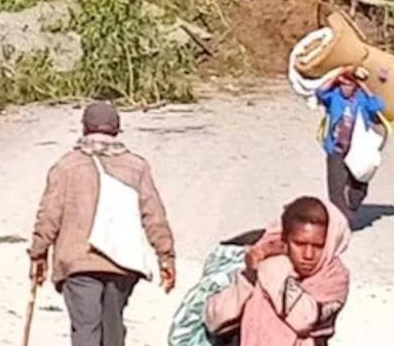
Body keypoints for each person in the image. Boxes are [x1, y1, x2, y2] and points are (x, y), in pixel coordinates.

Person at [28, 101, 176, 346]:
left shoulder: (66, 166)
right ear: (117, 130)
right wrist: (166, 256)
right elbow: (154, 215)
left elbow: (49, 215)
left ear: (84, 128)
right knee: (113, 328)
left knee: (86, 328)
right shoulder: (136, 167)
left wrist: (38, 254)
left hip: (79, 261)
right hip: (122, 264)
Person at [204, 197, 350, 346]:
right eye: (300, 244)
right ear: (285, 241)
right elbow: (215, 319)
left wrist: (276, 267)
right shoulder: (261, 261)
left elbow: (304, 319)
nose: (308, 255)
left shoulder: (333, 278)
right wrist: (250, 276)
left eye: (318, 246)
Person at [316, 66, 385, 221]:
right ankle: (341, 220)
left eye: (349, 85)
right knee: (335, 187)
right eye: (343, 85)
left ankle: (351, 206)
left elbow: (377, 106)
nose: (345, 88)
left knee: (359, 183)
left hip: (357, 149)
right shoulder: (334, 97)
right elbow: (320, 92)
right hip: (336, 147)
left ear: (355, 87)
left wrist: (363, 85)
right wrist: (338, 76)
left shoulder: (361, 100)